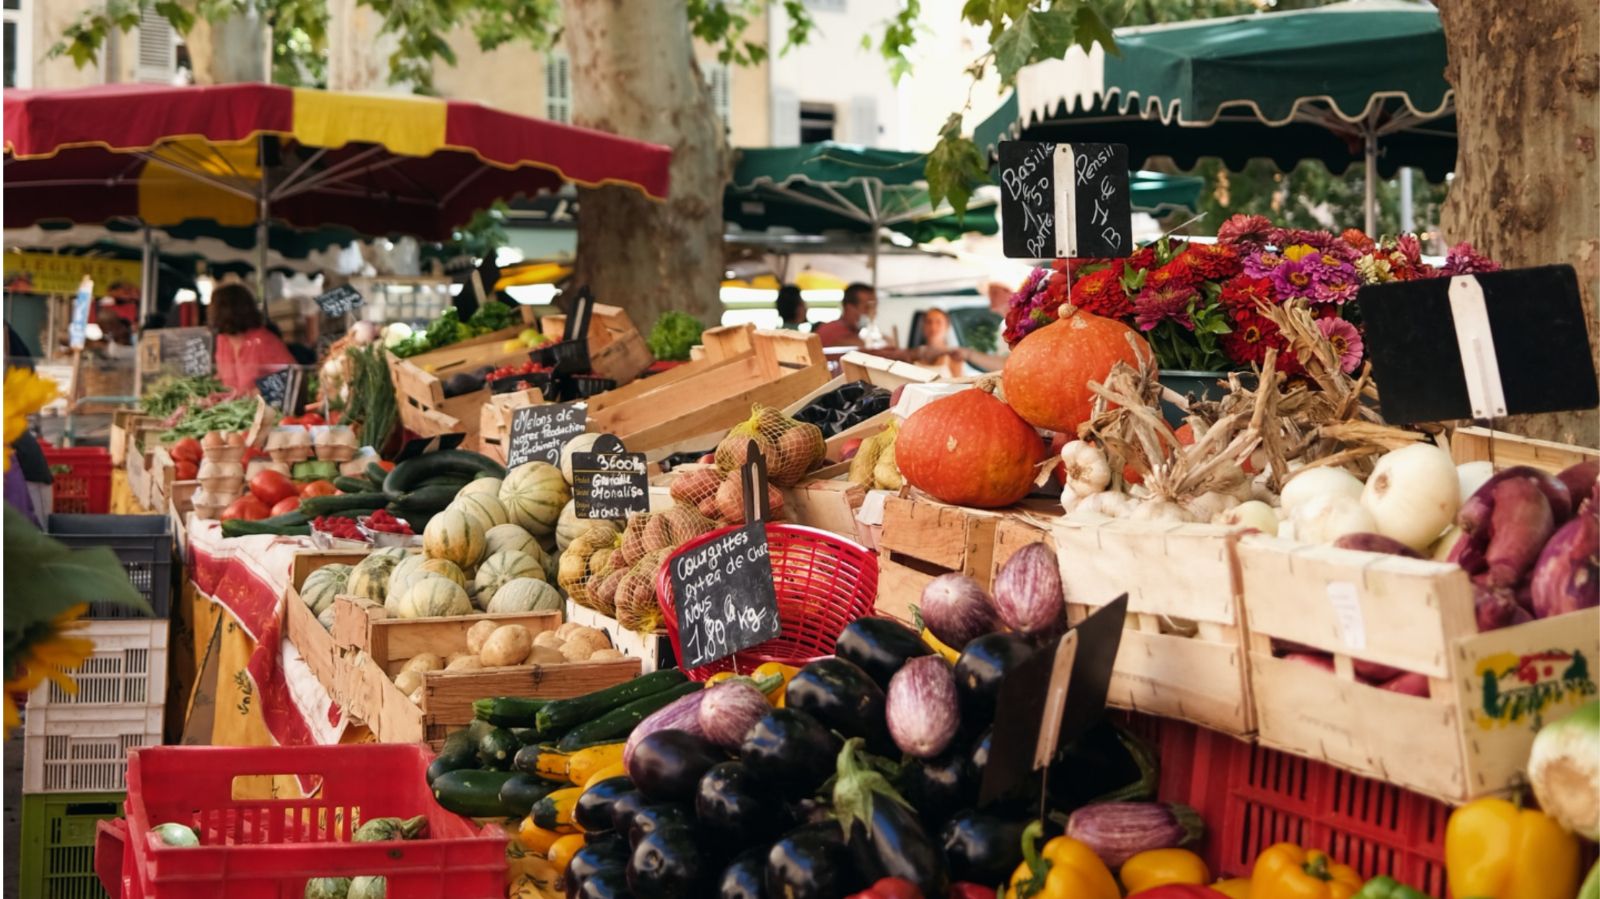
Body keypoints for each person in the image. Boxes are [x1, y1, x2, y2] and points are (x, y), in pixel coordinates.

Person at [815, 283, 953, 365]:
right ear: (850, 308)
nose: (873, 312)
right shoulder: (832, 331)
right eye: (868, 307)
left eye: (874, 307)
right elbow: (867, 348)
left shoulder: (858, 332)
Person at [209, 282, 296, 394]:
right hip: (232, 407)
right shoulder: (222, 340)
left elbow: (292, 376)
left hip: (262, 408)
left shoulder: (263, 341)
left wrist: (258, 392)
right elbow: (223, 376)